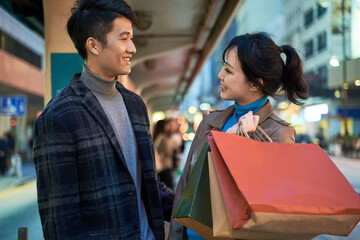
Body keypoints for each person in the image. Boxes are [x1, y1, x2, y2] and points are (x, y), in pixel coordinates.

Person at [32, 0, 174, 239]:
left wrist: (197, 209)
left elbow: (148, 183)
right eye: (124, 38)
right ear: (94, 45)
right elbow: (59, 219)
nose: (132, 48)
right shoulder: (58, 117)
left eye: (132, 38)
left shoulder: (136, 105)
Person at [169, 32, 309, 239]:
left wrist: (240, 145)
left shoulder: (278, 132)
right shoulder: (210, 122)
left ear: (254, 83)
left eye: (228, 70)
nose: (220, 75)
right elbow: (186, 188)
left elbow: (269, 210)